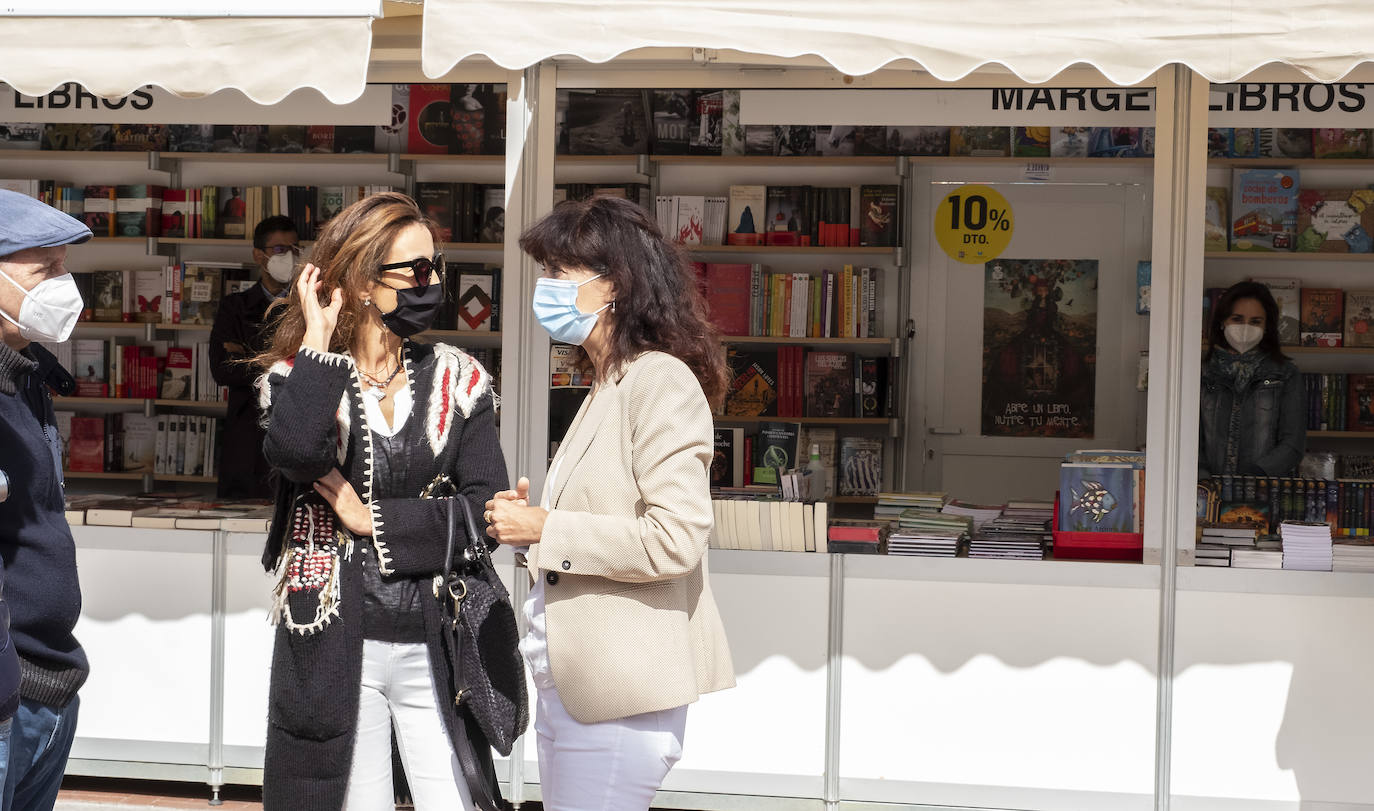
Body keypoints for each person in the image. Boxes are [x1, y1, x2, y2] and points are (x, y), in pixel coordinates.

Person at [253, 192, 509, 811]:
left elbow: (488, 512)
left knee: (457, 799)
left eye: (435, 266)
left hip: (437, 633)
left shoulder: (460, 378)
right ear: (365, 282)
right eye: (415, 270)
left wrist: (377, 521)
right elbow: (295, 453)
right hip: (336, 637)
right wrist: (317, 347)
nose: (432, 283)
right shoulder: (297, 377)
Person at [486, 195, 735, 810]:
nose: (544, 289)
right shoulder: (609, 381)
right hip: (577, 684)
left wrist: (547, 528)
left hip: (621, 691)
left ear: (614, 285)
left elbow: (675, 539)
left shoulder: (658, 380)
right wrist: (530, 534)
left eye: (558, 274)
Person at [0, 189, 93, 810]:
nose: (65, 285)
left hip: (49, 683)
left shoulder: (26, 376)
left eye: (65, 267)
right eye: (45, 270)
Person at [209, 215, 298, 499]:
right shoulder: (234, 307)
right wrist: (284, 362)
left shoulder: (307, 306)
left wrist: (250, 357)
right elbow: (223, 371)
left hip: (295, 430)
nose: (290, 257)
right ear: (258, 255)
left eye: (295, 249)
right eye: (280, 249)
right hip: (245, 437)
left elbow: (313, 370)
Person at [1199, 280, 1306, 478]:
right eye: (1237, 319)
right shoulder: (1200, 374)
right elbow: (1188, 438)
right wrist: (1204, 480)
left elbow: (1293, 444)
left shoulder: (1287, 375)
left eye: (1255, 321)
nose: (1245, 328)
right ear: (1222, 322)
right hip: (1206, 494)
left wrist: (1255, 476)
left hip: (1263, 493)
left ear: (1267, 327)